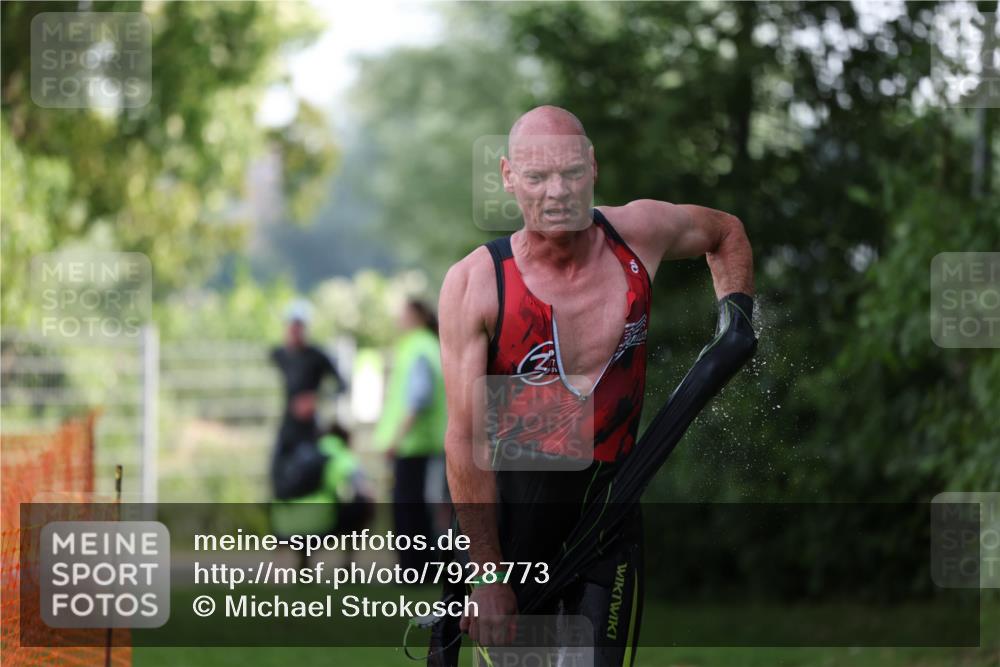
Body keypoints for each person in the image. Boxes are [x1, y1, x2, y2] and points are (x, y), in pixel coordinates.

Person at [433, 106, 755, 666]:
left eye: (571, 173)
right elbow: (465, 440)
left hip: (610, 515)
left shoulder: (638, 235)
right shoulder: (478, 284)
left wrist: (738, 317)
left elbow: (726, 232)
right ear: (508, 176)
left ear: (593, 167)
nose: (557, 192)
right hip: (512, 535)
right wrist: (486, 574)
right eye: (537, 177)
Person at [374, 299, 448, 571]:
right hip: (420, 443)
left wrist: (395, 439)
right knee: (419, 509)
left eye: (402, 314)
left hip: (413, 444)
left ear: (415, 316)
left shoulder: (418, 349)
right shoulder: (428, 346)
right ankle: (420, 568)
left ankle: (414, 569)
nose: (398, 319)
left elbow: (418, 399)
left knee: (410, 512)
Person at [269, 300, 345, 500]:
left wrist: (316, 400)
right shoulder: (280, 354)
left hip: (309, 430)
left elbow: (342, 385)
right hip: (287, 426)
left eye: (299, 325)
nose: (295, 330)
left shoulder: (316, 356)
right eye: (291, 325)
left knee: (307, 477)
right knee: (278, 479)